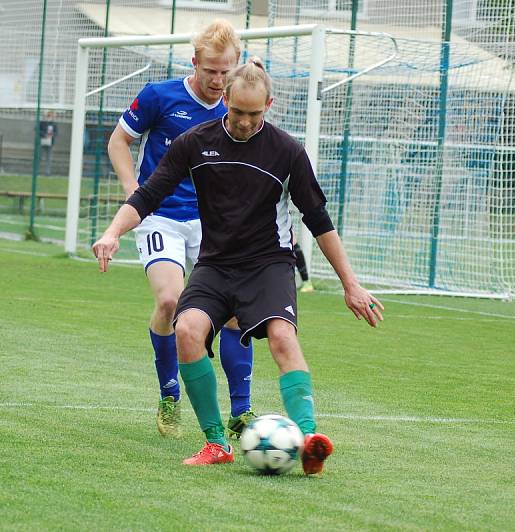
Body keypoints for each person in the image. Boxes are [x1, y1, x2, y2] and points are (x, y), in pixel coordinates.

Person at [93, 59, 384, 475]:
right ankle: (216, 443)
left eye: (255, 113)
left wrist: (350, 284)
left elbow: (318, 220)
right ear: (224, 100)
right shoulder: (194, 142)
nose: (245, 122)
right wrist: (112, 232)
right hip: (215, 263)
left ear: (269, 104)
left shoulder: (287, 151)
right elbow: (149, 194)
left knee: (283, 337)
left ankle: (308, 440)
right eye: (237, 112)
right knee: (187, 329)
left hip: (268, 264)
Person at [107, 19, 255, 439]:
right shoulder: (160, 96)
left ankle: (241, 411)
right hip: (161, 216)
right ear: (195, 62)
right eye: (210, 70)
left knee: (234, 311)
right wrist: (133, 191)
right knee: (171, 300)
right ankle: (169, 392)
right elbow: (119, 141)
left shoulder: (239, 109)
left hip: (214, 224)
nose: (218, 79)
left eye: (226, 71)